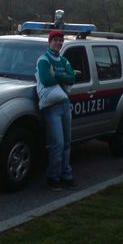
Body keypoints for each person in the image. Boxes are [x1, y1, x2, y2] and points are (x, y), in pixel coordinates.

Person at [36, 30, 77, 191]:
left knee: (67, 142)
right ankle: (53, 178)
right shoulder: (43, 60)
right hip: (52, 106)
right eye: (55, 40)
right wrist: (63, 76)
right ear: (49, 42)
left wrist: (57, 76)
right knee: (57, 144)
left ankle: (66, 175)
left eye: (60, 40)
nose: (58, 43)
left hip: (65, 104)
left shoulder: (63, 60)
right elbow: (45, 80)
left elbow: (72, 78)